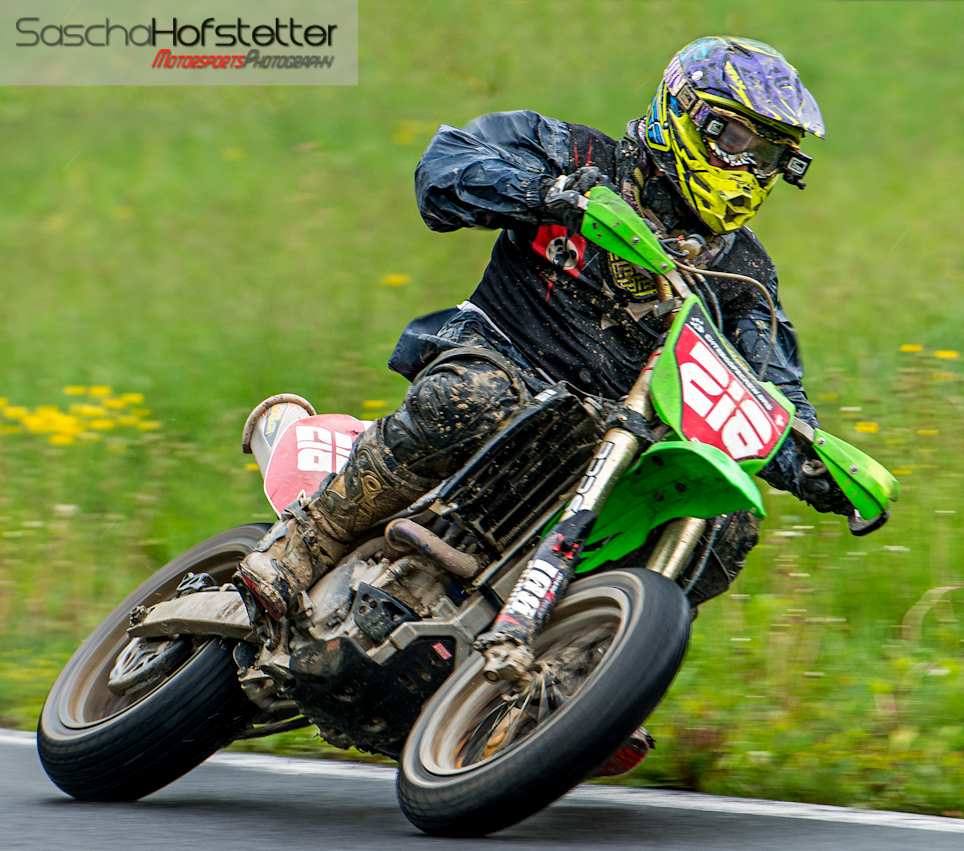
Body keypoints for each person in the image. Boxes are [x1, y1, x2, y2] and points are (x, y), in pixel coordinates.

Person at [236, 36, 867, 622]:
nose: (751, 167)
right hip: (500, 359)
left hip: (612, 435)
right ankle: (304, 545)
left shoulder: (744, 273)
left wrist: (816, 462)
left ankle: (584, 663)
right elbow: (445, 170)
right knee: (472, 398)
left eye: (772, 156)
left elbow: (771, 388)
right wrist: (553, 194)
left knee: (725, 520)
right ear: (684, 115)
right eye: (737, 140)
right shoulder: (572, 153)